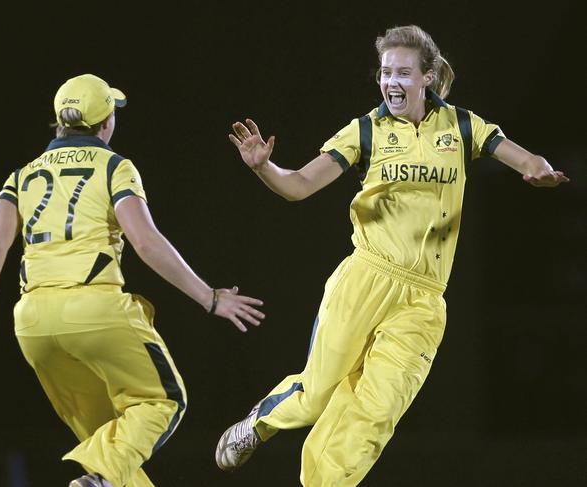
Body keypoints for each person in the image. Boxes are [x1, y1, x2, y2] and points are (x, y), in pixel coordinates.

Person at [214, 24, 569, 486]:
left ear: (427, 77)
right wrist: (265, 167)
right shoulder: (366, 130)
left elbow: (522, 158)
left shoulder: (461, 126)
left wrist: (538, 170)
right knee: (318, 395)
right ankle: (259, 421)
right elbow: (298, 186)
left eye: (402, 72)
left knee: (375, 413)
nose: (391, 82)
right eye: (385, 73)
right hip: (367, 276)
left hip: (424, 300)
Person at [0, 73, 265, 487]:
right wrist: (210, 298)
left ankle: (98, 482)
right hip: (94, 313)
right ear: (106, 122)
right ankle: (97, 480)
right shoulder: (114, 166)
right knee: (163, 401)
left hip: (33, 326)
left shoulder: (22, 175)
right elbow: (145, 241)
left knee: (110, 443)